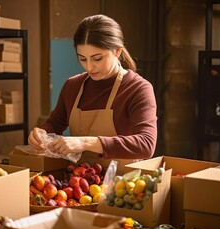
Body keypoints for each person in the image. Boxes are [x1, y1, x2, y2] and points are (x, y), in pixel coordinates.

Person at [28, 14, 157, 172]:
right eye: (82, 59)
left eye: (97, 58)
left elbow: (146, 144)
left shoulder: (138, 88)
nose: (89, 67)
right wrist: (41, 133)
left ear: (117, 51)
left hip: (124, 187)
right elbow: (55, 123)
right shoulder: (72, 86)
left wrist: (85, 142)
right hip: (80, 186)